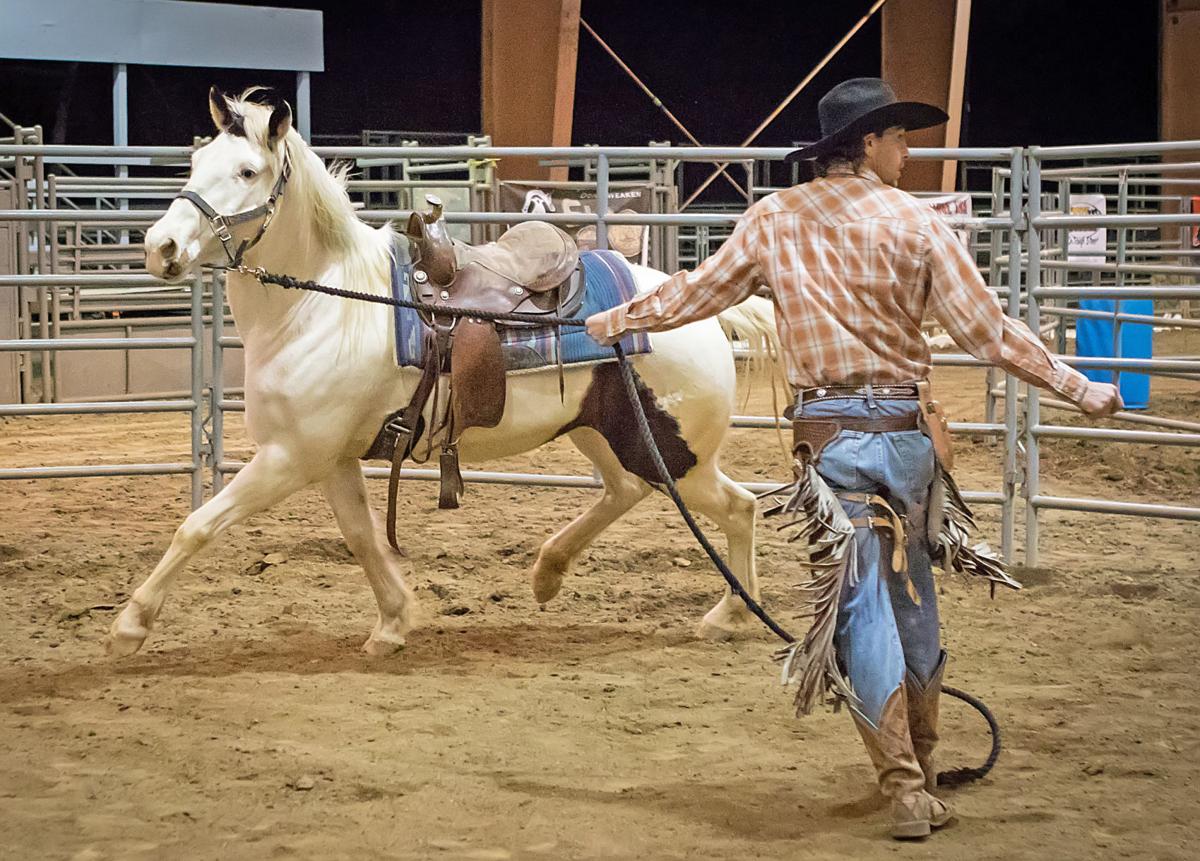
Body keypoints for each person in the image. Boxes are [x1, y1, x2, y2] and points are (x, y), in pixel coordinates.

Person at [586, 77, 1122, 840]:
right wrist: (1079, 388)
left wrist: (610, 320)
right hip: (905, 435)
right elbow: (988, 332)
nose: (908, 150)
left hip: (830, 439)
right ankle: (923, 771)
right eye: (899, 136)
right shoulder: (916, 223)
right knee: (913, 596)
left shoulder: (774, 219)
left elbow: (694, 294)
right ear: (866, 143)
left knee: (860, 606)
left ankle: (905, 785)